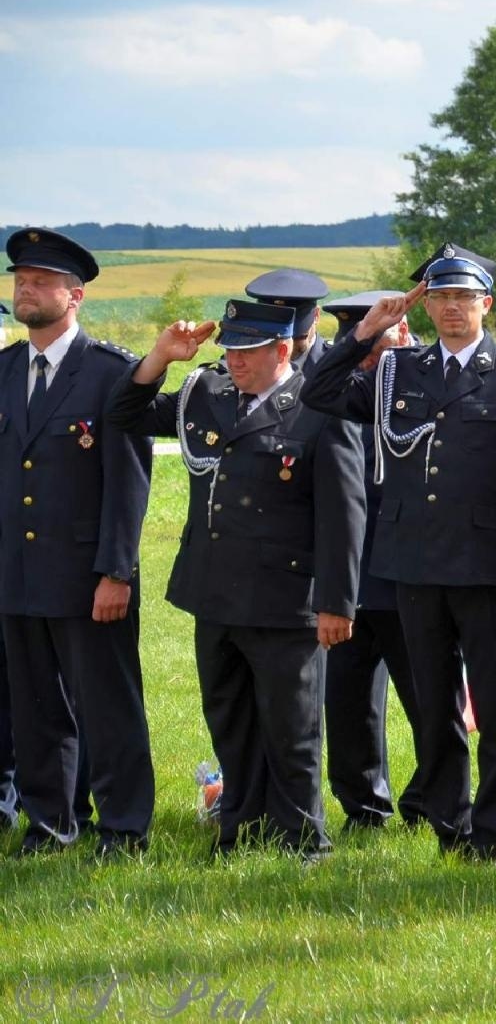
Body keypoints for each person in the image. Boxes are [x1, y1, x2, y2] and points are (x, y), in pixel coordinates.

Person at [106, 299, 363, 859]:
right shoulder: (207, 393)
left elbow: (345, 513)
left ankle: (302, 839)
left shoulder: (319, 405)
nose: (235, 362)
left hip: (285, 597)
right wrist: (160, 358)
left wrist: (337, 601)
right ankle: (239, 828)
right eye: (230, 351)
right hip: (214, 591)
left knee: (292, 729)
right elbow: (124, 414)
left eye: (247, 352)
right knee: (228, 715)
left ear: (280, 349)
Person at [301, 245, 496, 863]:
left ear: (486, 303)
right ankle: (451, 826)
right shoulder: (399, 371)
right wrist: (366, 333)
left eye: (464, 297)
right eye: (441, 297)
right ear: (425, 305)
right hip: (414, 566)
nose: (452, 309)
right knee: (434, 708)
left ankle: (493, 828)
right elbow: (318, 390)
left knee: (494, 706)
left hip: (485, 567)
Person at [0, 227, 155, 858]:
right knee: (36, 709)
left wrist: (116, 572)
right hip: (18, 574)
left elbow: (129, 482)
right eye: (19, 279)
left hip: (89, 577)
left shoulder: (111, 373)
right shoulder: (5, 370)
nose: (25, 289)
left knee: (107, 708)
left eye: (40, 281)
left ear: (76, 295)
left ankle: (123, 828)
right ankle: (51, 823)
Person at [316, 290, 431, 831]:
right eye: (359, 348)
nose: (369, 360)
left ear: (405, 336)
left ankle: (432, 800)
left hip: (412, 574)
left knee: (428, 700)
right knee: (348, 704)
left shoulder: (428, 386)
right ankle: (363, 806)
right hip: (348, 581)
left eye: (380, 346)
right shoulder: (343, 395)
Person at [246, 268, 330, 368]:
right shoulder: (244, 362)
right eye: (273, 338)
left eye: (296, 337)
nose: (285, 345)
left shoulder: (334, 365)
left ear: (316, 316)